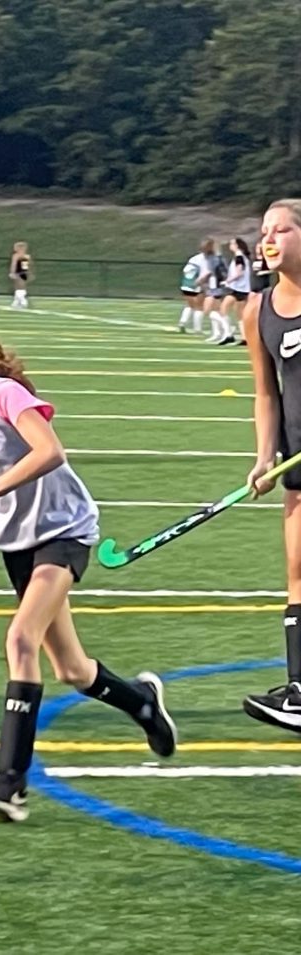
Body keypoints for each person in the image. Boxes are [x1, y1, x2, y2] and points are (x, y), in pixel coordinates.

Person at [0, 319, 177, 821]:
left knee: (20, 640)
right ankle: (142, 703)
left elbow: (50, 451)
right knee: (73, 670)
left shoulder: (2, 396)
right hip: (19, 547)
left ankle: (10, 782)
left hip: (64, 532)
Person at [241, 199, 301, 733]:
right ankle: (300, 689)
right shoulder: (257, 310)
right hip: (297, 461)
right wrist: (265, 457)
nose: (269, 238)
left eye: (281, 229)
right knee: (299, 574)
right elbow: (266, 394)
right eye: (264, 231)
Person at [218, 237, 252, 345]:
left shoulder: (239, 257)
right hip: (243, 289)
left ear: (237, 245)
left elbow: (239, 273)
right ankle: (244, 338)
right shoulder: (243, 257)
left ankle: (229, 334)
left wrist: (227, 281)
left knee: (223, 309)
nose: (230, 245)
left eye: (232, 243)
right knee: (239, 314)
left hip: (238, 289)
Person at [177, 238, 215, 334]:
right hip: (197, 285)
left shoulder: (194, 258)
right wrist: (202, 284)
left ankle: (182, 322)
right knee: (199, 307)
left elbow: (186, 270)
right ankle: (197, 329)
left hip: (186, 284)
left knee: (189, 305)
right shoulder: (207, 260)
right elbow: (206, 273)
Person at [9, 241, 33, 309]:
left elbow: (26, 265)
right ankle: (17, 301)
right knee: (18, 287)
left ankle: (22, 301)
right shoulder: (19, 256)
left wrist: (13, 272)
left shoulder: (21, 256)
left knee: (21, 286)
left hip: (21, 272)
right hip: (21, 272)